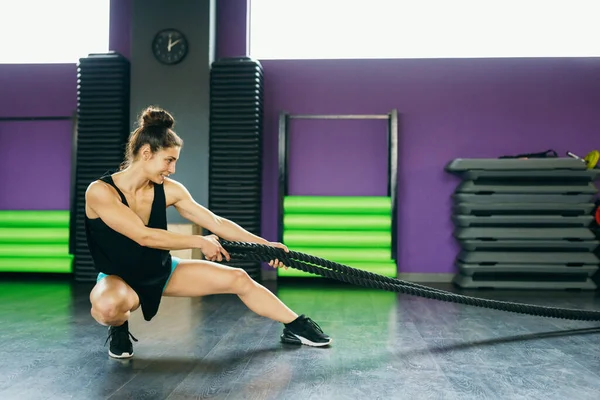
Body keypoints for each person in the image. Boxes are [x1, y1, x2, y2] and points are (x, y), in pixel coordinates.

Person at [84, 106, 331, 359]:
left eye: (175, 162)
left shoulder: (170, 189)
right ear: (146, 153)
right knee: (108, 307)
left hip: (161, 271)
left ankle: (295, 326)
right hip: (119, 279)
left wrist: (264, 246)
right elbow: (143, 236)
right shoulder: (101, 192)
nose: (172, 169)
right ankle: (119, 329)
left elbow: (216, 222)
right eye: (169, 160)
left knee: (239, 278)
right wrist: (199, 241)